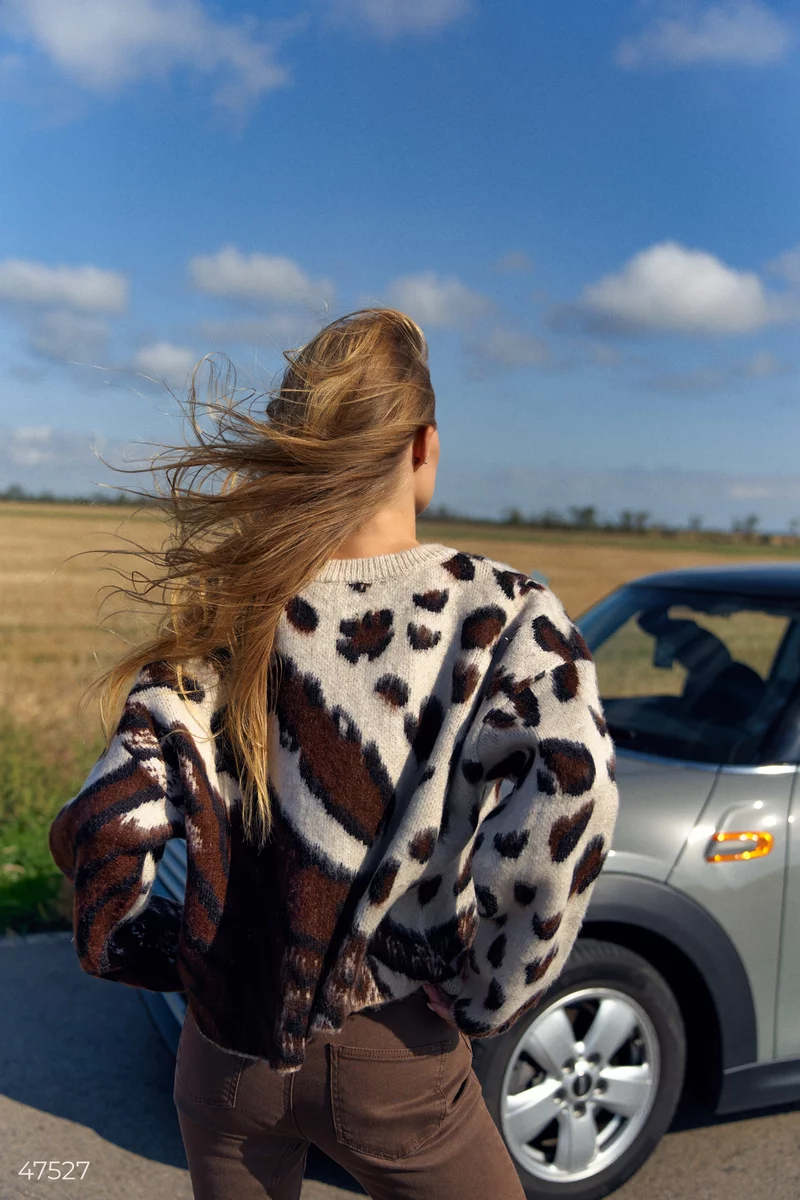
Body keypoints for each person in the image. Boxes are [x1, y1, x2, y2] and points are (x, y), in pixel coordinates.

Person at [48, 308, 619, 1200]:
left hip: (223, 1052)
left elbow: (107, 822)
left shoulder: (230, 612)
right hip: (395, 1051)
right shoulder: (505, 615)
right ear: (424, 447)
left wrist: (169, 956)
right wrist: (484, 996)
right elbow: (568, 820)